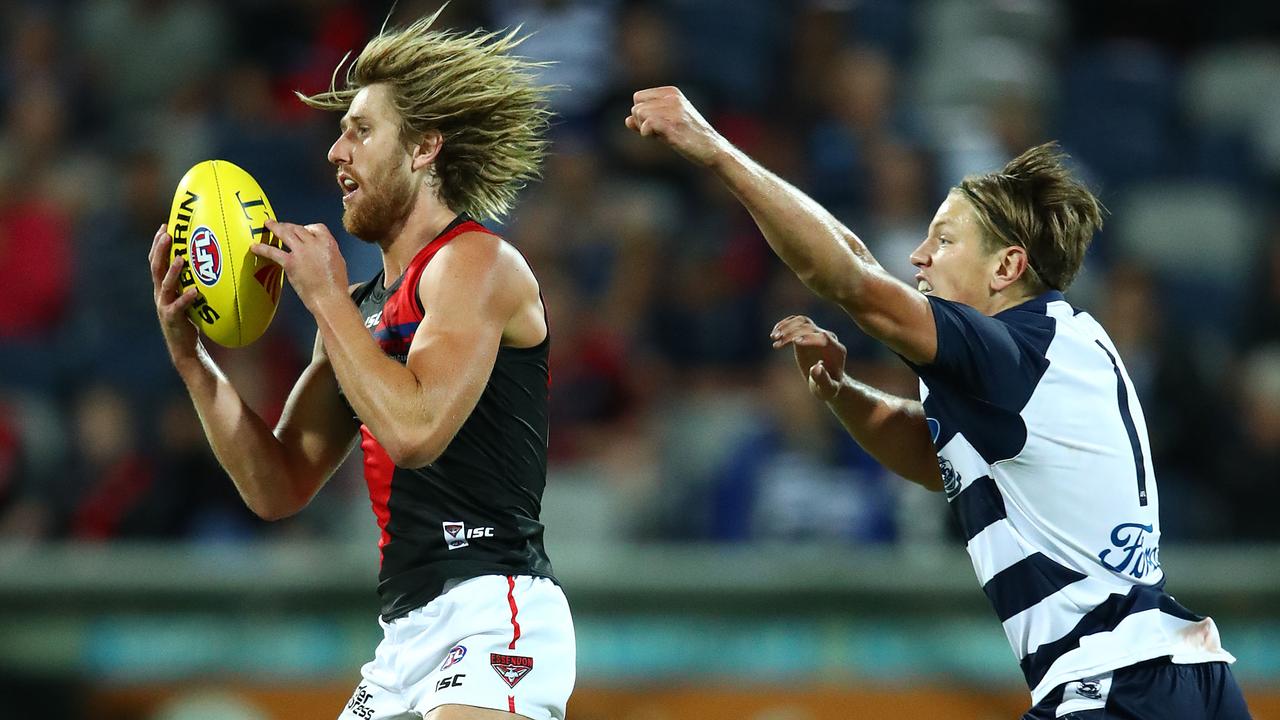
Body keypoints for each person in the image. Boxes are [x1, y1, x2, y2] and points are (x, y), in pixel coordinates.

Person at [626, 87, 1252, 719]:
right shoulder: (1052, 346)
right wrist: (842, 394)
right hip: (1181, 672)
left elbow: (849, 280)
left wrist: (715, 151)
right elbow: (939, 460)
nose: (918, 257)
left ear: (1007, 266)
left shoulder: (1017, 354)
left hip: (1116, 684)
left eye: (944, 240)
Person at [149, 11, 574, 720]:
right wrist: (192, 359)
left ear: (423, 149)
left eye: (360, 130)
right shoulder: (357, 309)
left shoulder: (477, 263)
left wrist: (323, 299)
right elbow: (278, 486)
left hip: (492, 610)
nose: (335, 152)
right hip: (403, 636)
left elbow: (415, 432)